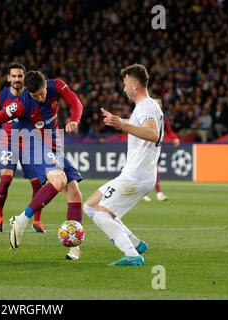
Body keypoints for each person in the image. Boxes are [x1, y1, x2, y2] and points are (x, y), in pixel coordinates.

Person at [0, 70, 84, 260]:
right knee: (59, 180)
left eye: (42, 93)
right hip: (32, 143)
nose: (40, 98)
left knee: (74, 191)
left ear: (44, 84)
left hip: (53, 142)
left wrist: (75, 119)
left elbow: (75, 102)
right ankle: (22, 220)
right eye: (36, 96)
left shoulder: (56, 85)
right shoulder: (20, 104)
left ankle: (74, 246)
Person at [84, 64, 163, 266]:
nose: (123, 87)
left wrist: (122, 124)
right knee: (91, 206)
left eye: (125, 83)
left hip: (136, 175)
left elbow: (152, 133)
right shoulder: (148, 105)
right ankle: (136, 244)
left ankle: (133, 255)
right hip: (137, 173)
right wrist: (122, 121)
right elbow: (145, 128)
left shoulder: (145, 105)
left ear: (135, 84)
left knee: (102, 216)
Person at [0, 63, 45, 233]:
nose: (17, 79)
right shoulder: (1, 97)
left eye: (20, 76)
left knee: (38, 184)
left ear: (24, 78)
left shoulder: (32, 95)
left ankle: (37, 221)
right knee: (6, 179)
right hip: (7, 142)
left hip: (29, 144)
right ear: (8, 78)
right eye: (14, 76)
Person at [143, 99, 180, 202]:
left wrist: (175, 138)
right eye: (157, 104)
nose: (159, 105)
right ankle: (153, 193)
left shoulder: (163, 117)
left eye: (160, 104)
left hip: (157, 147)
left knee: (154, 170)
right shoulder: (147, 117)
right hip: (146, 147)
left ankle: (152, 193)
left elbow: (169, 130)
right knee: (149, 170)